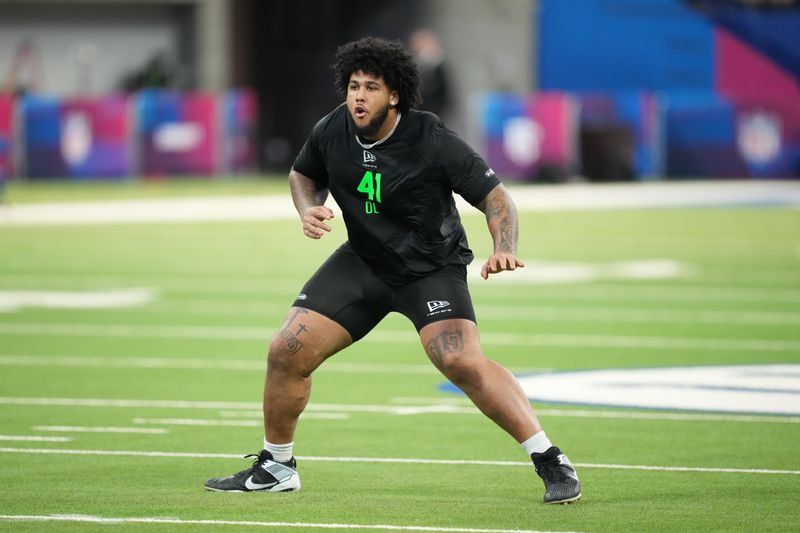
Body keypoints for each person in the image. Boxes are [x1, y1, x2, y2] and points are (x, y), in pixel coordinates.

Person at [204, 37, 581, 505]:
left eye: (371, 88)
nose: (358, 97)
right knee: (286, 351)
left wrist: (504, 247)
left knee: (460, 360)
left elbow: (495, 197)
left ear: (395, 95)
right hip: (363, 262)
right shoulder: (333, 128)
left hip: (429, 268)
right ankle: (277, 467)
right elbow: (303, 173)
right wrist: (308, 208)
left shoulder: (431, 138)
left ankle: (549, 457)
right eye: (353, 86)